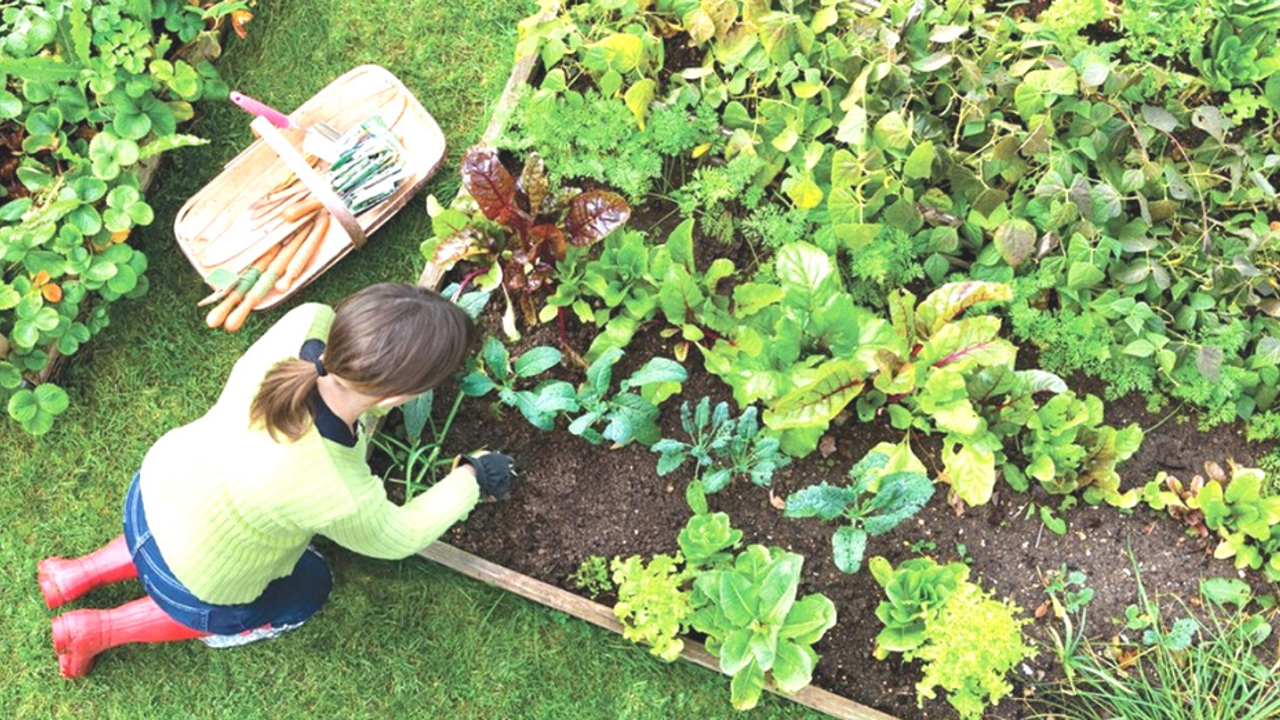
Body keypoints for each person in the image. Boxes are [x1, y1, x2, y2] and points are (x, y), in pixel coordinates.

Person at [37, 283, 514, 678]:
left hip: (154, 490)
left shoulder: (305, 324)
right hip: (198, 580)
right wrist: (473, 477)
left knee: (182, 529)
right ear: (397, 398)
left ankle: (75, 573)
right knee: (310, 588)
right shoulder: (337, 487)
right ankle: (97, 630)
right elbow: (399, 535)